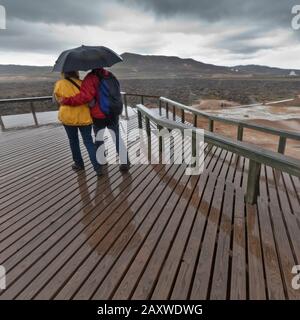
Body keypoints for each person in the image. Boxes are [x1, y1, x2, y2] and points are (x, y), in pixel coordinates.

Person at [60, 68, 130, 172]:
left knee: (99, 138)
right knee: (117, 138)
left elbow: (85, 97)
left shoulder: (90, 78)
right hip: (113, 113)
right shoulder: (110, 75)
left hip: (99, 115)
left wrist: (67, 100)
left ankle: (101, 160)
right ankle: (125, 162)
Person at [53, 71, 102, 176]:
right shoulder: (83, 83)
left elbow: (56, 100)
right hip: (84, 117)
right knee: (88, 142)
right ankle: (98, 167)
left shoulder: (59, 83)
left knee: (73, 141)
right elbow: (90, 100)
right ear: (76, 72)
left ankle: (79, 164)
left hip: (67, 117)